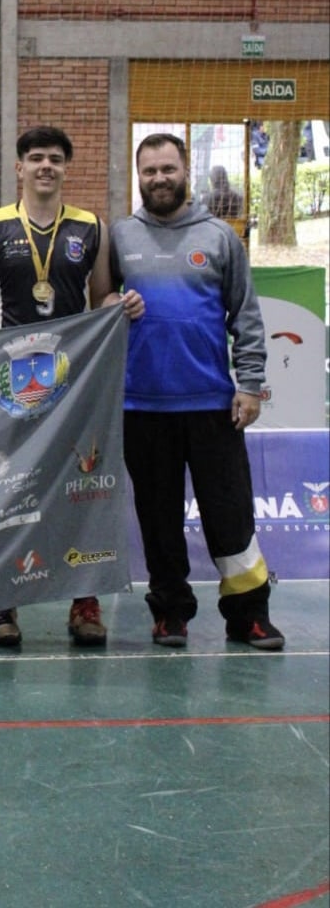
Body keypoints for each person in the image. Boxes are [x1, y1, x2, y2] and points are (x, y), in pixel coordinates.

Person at [0, 126, 144, 648]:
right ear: (18, 168)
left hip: (72, 382)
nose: (45, 166)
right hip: (9, 385)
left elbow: (102, 299)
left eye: (55, 159)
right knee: (5, 493)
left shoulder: (91, 228)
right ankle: (1, 603)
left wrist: (120, 306)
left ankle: (83, 600)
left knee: (78, 490)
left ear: (67, 168)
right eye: (36, 158)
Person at [109, 132, 284, 650]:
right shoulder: (119, 236)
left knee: (230, 515)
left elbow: (246, 317)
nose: (159, 179)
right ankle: (170, 613)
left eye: (168, 169)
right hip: (141, 407)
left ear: (186, 170)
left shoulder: (219, 237)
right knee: (158, 520)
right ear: (137, 177)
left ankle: (248, 615)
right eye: (149, 171)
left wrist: (249, 385)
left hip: (212, 405)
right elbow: (99, 300)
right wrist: (110, 306)